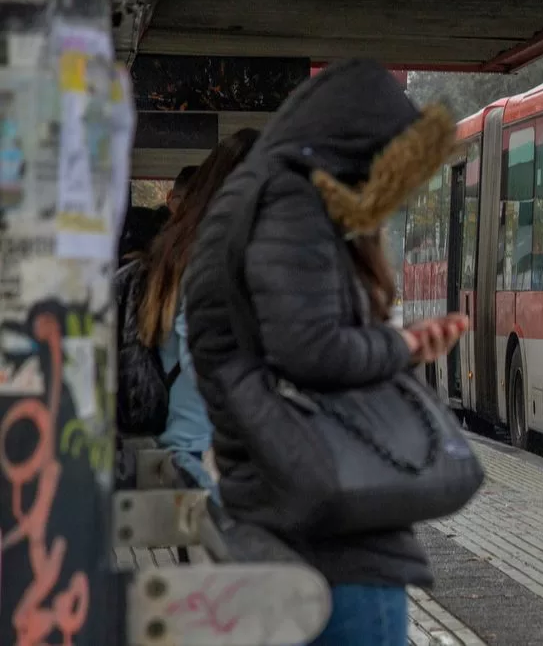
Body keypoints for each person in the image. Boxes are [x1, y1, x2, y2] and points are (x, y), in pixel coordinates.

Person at [182, 60, 467, 645]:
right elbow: (309, 348)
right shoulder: (287, 198)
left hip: (282, 507)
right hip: (331, 544)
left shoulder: (250, 196)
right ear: (355, 141)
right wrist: (400, 344)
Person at [135, 133, 258, 496]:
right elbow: (204, 356)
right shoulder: (214, 254)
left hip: (186, 446)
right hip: (203, 455)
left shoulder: (184, 243)